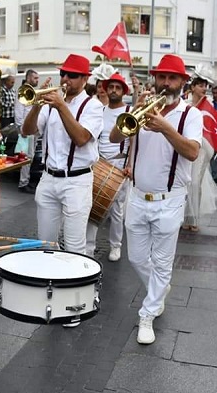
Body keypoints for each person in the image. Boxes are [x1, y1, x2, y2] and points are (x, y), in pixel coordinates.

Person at [110, 54, 202, 344]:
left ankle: (147, 315)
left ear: (182, 82)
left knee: (162, 264)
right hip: (136, 197)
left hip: (170, 200)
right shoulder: (140, 108)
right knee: (136, 257)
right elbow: (114, 138)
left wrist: (165, 127)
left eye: (172, 78)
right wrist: (134, 114)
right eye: (161, 77)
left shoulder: (191, 115)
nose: (165, 83)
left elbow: (192, 152)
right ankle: (159, 290)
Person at [21, 53, 103, 261]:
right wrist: (37, 104)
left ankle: (77, 292)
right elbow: (27, 130)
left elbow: (81, 138)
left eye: (73, 75)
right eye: (64, 73)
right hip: (48, 179)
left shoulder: (92, 106)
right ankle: (50, 288)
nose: (66, 79)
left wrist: (61, 106)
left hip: (77, 181)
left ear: (85, 79)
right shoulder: (51, 104)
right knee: (45, 244)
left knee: (74, 248)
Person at [85, 73, 131, 261]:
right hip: (99, 163)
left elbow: (134, 141)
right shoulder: (100, 110)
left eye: (117, 87)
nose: (113, 90)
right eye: (110, 87)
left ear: (123, 91)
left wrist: (130, 165)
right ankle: (88, 248)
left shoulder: (129, 110)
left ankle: (116, 246)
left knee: (117, 210)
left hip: (119, 163)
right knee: (93, 206)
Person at [183, 62, 216, 231]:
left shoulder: (208, 106)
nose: (204, 88)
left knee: (196, 183)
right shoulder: (186, 104)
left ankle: (193, 219)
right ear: (193, 86)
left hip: (203, 148)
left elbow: (212, 128)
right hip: (187, 145)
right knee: (185, 182)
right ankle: (184, 217)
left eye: (206, 85)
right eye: (201, 85)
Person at [15, 69, 40, 194]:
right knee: (26, 157)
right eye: (35, 78)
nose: (37, 80)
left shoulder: (32, 91)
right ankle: (23, 183)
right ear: (28, 78)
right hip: (26, 129)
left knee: (30, 157)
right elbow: (19, 111)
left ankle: (26, 180)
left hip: (33, 129)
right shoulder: (23, 91)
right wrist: (21, 128)